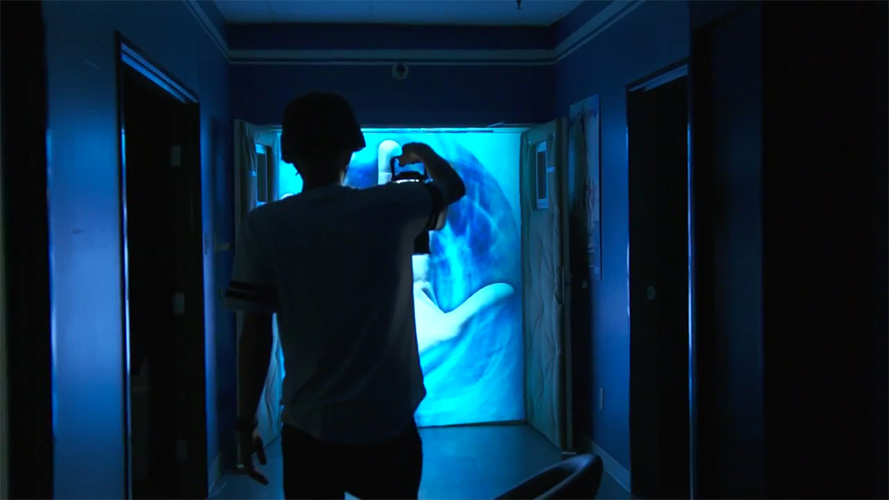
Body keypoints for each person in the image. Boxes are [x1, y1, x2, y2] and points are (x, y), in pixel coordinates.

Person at [224, 91, 466, 500]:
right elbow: (452, 187)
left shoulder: (263, 226)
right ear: (350, 152)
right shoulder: (392, 206)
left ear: (289, 156)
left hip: (309, 430)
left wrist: (245, 422)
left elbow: (255, 336)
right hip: (388, 425)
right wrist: (423, 153)